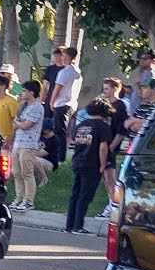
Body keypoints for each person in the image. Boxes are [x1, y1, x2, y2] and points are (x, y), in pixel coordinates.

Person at [65, 98, 112, 234]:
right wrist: (103, 165)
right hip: (92, 163)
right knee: (85, 195)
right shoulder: (103, 127)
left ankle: (70, 224)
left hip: (78, 161)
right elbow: (103, 147)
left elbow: (74, 141)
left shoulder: (82, 124)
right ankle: (78, 225)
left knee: (75, 193)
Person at [8, 80, 44, 213]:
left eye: (24, 91)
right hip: (18, 143)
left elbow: (26, 125)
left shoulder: (38, 107)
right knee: (17, 173)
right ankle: (18, 198)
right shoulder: (23, 106)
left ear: (32, 92)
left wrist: (18, 123)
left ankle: (29, 201)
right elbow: (16, 123)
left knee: (27, 173)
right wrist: (18, 123)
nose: (22, 93)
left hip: (28, 145)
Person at [96, 78, 129, 218]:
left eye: (107, 88)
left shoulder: (120, 106)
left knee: (110, 175)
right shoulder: (103, 105)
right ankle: (111, 201)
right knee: (104, 174)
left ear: (115, 88)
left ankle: (114, 204)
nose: (105, 91)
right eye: (104, 89)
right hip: (102, 142)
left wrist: (114, 144)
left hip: (111, 143)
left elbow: (122, 128)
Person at [49, 46, 82, 165]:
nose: (61, 58)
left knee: (59, 131)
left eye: (63, 55)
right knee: (62, 130)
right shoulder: (76, 71)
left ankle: (60, 158)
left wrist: (51, 102)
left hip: (62, 103)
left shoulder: (64, 72)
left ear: (68, 57)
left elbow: (57, 88)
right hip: (71, 104)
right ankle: (60, 156)